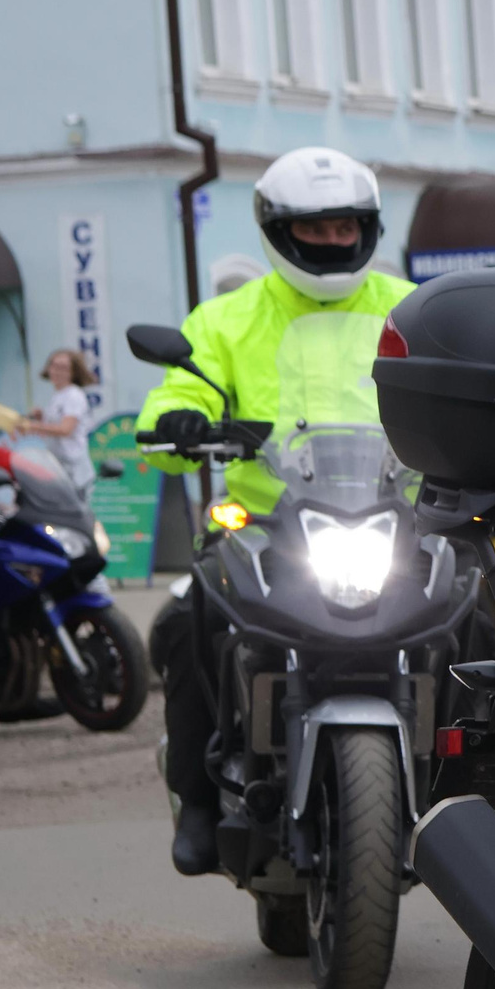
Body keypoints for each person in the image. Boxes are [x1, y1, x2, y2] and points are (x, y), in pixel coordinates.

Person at [137, 148, 415, 876]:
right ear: (278, 230)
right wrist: (178, 421)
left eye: (344, 227)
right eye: (314, 228)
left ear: (368, 228)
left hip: (389, 515)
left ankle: (458, 784)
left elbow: (459, 379)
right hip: (264, 525)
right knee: (185, 622)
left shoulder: (411, 307)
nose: (332, 240)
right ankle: (198, 798)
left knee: (476, 605)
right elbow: (181, 390)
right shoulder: (226, 319)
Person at [17, 350, 99, 499]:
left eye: (63, 368)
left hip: (74, 470)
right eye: (54, 366)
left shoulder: (73, 395)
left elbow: (66, 429)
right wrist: (42, 417)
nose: (57, 371)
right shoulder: (58, 395)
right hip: (58, 467)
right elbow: (56, 424)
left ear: (73, 372)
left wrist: (31, 426)